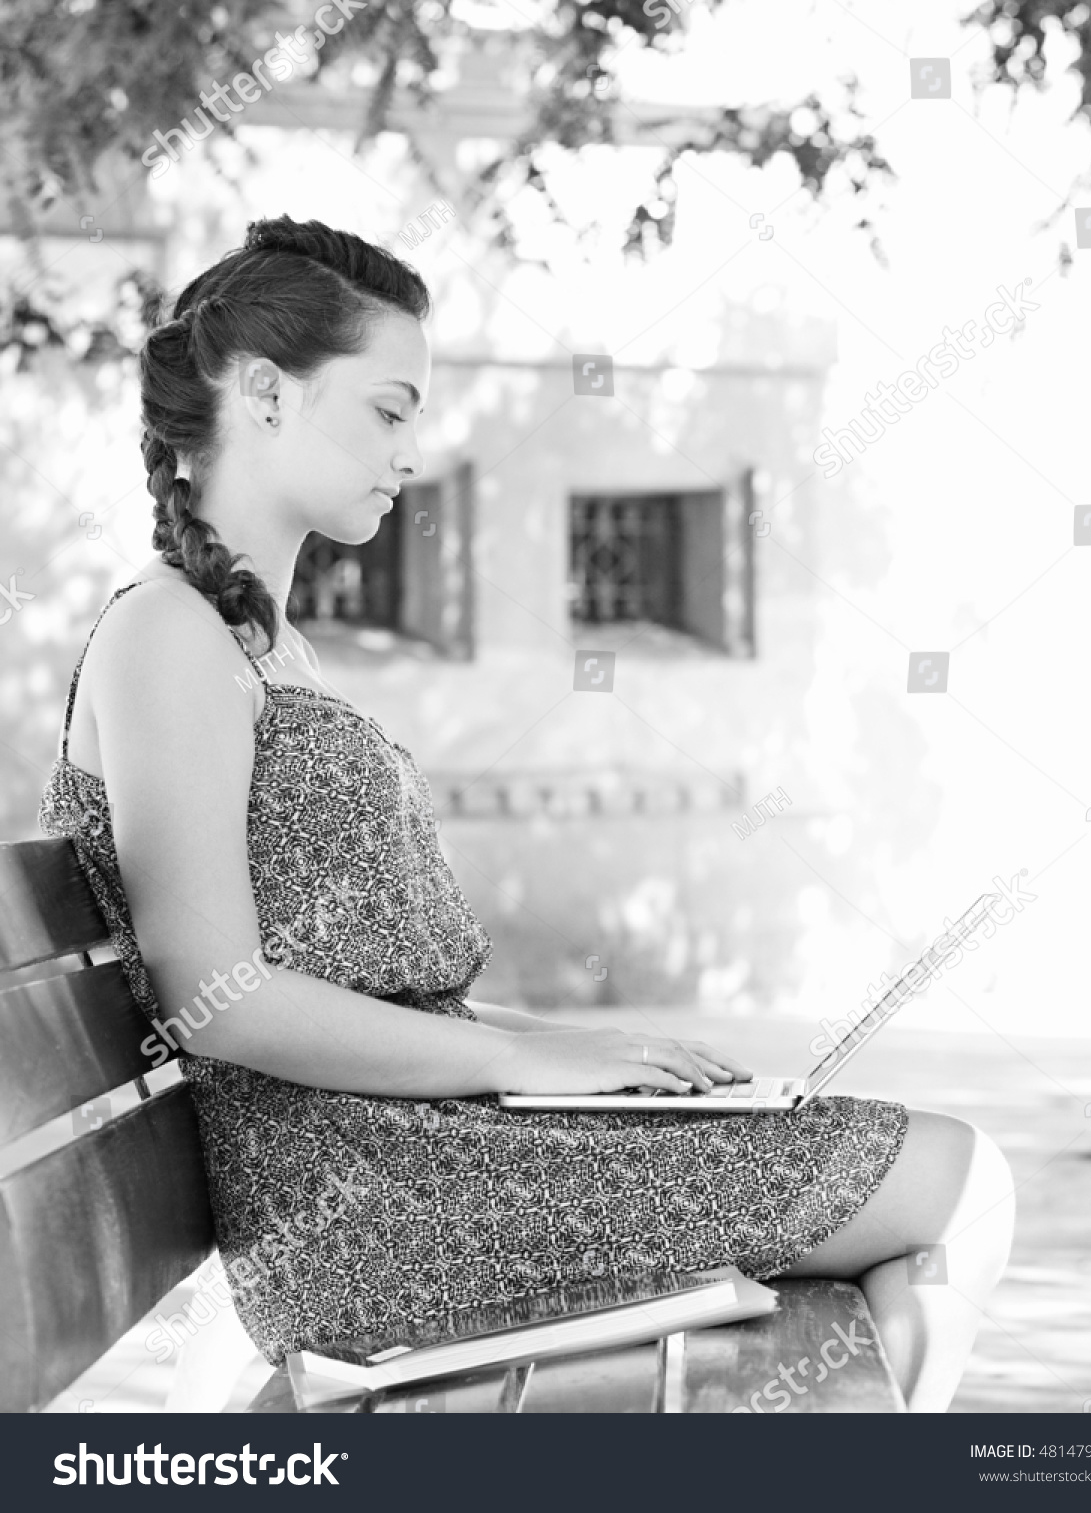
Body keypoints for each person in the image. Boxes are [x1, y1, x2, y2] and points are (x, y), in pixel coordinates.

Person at [39, 215, 1014, 1411]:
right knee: (951, 1178)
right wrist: (520, 1058)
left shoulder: (258, 644)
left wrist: (577, 1056)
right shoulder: (166, 636)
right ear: (263, 393)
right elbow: (215, 996)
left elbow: (367, 985)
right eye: (389, 410)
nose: (408, 453)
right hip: (376, 1205)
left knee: (924, 1169)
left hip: (418, 1156)